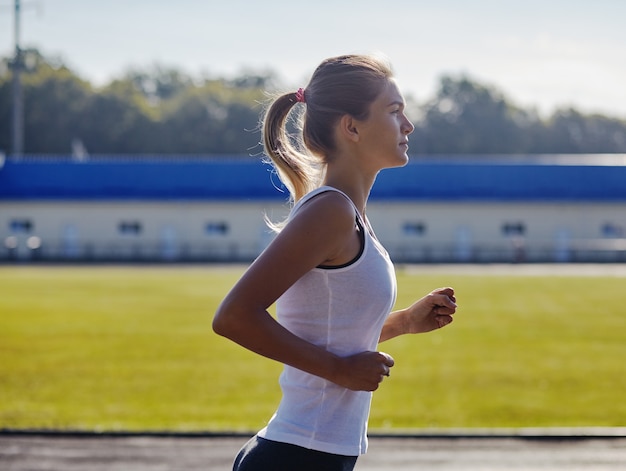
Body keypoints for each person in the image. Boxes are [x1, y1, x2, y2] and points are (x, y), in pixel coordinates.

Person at [212, 54, 458, 471]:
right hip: (296, 457)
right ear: (352, 126)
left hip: (320, 455)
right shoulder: (331, 212)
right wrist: (338, 370)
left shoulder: (351, 217)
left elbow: (330, 330)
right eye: (394, 111)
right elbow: (233, 316)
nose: (408, 125)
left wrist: (404, 323)